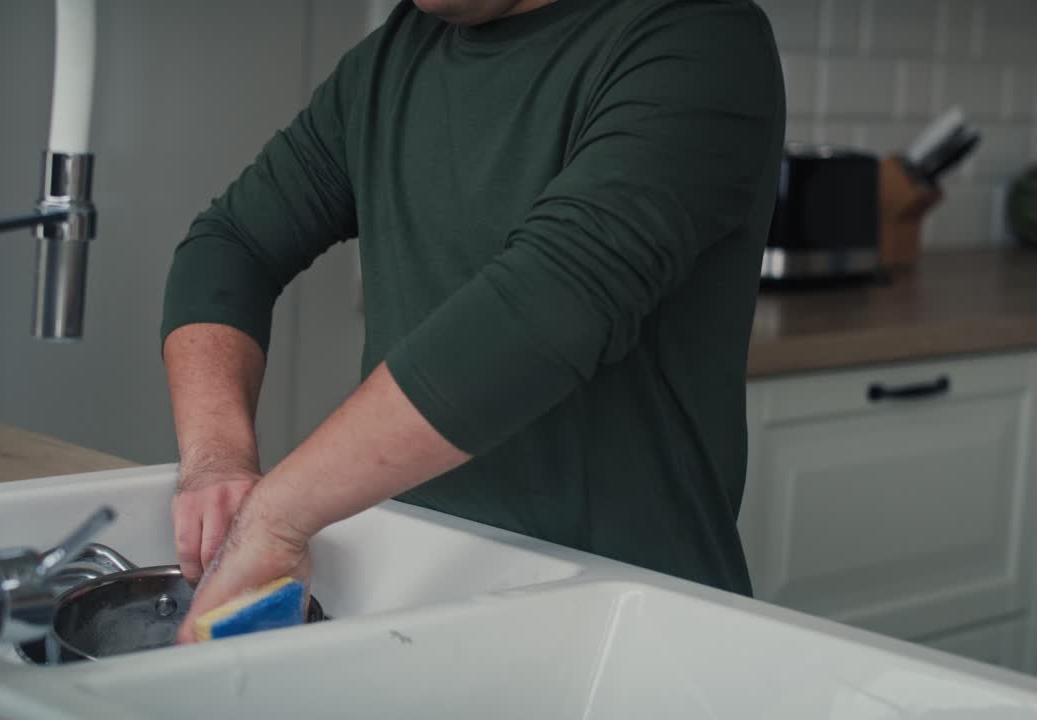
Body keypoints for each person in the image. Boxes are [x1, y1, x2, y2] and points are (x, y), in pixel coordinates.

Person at [160, 0, 785, 642]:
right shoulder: (395, 56)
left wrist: (275, 516)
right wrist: (216, 461)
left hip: (630, 622)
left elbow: (550, 302)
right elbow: (231, 245)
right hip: (418, 599)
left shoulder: (699, 36)